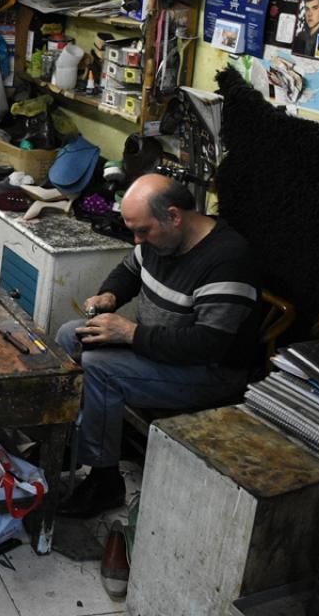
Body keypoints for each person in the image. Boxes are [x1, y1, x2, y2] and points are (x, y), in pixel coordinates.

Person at [55, 175, 261, 518]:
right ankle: (70, 443)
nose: (138, 240)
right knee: (69, 334)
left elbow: (208, 345)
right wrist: (110, 295)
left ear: (174, 216)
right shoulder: (161, 239)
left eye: (143, 231)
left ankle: (104, 481)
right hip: (157, 347)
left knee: (99, 369)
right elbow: (129, 270)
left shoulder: (227, 262)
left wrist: (130, 333)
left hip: (209, 372)